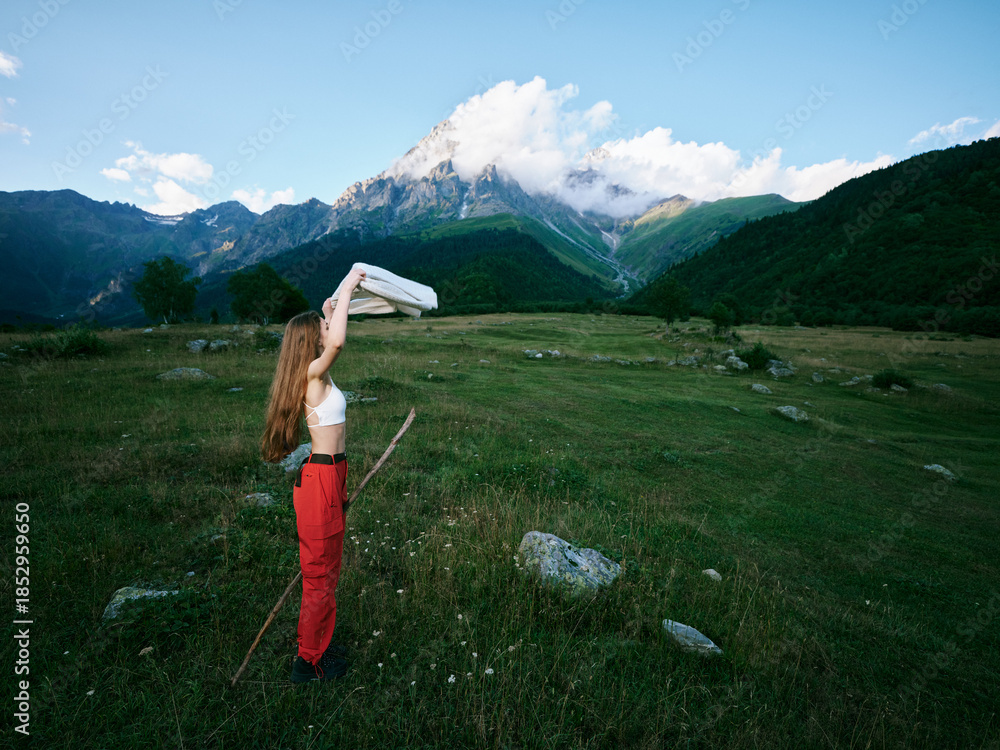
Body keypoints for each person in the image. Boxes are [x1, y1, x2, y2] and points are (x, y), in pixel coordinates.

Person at [261, 267, 366, 683]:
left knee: (327, 570)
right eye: (323, 325)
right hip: (321, 479)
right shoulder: (312, 377)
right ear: (314, 340)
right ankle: (308, 663)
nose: (329, 327)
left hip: (330, 475)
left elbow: (333, 330)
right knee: (320, 576)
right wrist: (351, 280)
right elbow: (337, 340)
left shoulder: (319, 376)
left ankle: (316, 644)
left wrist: (332, 306)